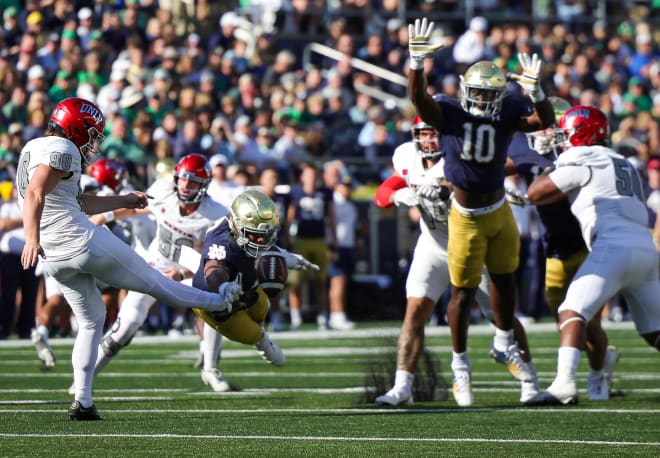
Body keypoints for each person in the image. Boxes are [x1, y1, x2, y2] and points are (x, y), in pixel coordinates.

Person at [17, 97, 234, 421]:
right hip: (80, 241)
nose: (93, 141)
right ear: (75, 128)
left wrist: (125, 200)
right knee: (156, 283)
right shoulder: (64, 149)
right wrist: (30, 237)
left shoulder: (33, 147)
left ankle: (84, 400)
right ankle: (223, 303)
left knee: (92, 319)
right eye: (91, 132)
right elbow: (35, 192)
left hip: (55, 255)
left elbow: (78, 201)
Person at [406, 18, 555, 405]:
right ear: (464, 91)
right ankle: (461, 368)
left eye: (490, 95)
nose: (484, 101)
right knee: (463, 293)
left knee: (507, 283)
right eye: (477, 93)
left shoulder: (507, 112)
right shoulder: (449, 113)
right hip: (466, 217)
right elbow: (419, 102)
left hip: (499, 209)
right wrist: (416, 66)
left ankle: (503, 342)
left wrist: (537, 92)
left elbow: (543, 121)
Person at [373, 117, 538, 407]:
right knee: (414, 312)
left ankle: (530, 380)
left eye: (433, 134)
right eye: (422, 134)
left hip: (474, 244)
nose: (428, 141)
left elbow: (481, 175)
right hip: (434, 245)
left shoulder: (460, 158)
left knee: (502, 317)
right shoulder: (406, 156)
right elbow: (382, 193)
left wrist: (443, 187)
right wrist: (399, 194)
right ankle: (402, 387)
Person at [526, 105, 660, 405]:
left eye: (566, 134)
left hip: (613, 246)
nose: (561, 140)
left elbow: (536, 193)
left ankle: (563, 384)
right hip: (645, 248)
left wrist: (548, 167)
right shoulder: (623, 161)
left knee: (571, 311)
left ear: (581, 134)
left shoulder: (583, 157)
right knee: (655, 331)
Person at [84, 153, 231, 394]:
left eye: (192, 181)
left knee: (215, 302)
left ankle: (210, 367)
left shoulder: (215, 214)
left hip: (188, 271)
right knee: (127, 324)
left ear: (204, 185)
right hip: (154, 268)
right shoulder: (164, 192)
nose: (184, 186)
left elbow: (215, 256)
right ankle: (84, 378)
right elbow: (134, 210)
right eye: (182, 179)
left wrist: (182, 271)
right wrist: (105, 215)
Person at [506, 97, 620, 400]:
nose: (544, 134)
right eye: (541, 128)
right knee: (565, 319)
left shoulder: (582, 155)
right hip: (555, 249)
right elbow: (499, 166)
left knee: (586, 319)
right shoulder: (523, 148)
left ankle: (595, 375)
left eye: (550, 128)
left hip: (586, 246)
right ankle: (603, 360)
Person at [191, 189, 319, 367]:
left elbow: (269, 249)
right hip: (215, 301)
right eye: (254, 235)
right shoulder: (222, 240)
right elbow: (214, 269)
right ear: (237, 225)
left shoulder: (247, 233)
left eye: (264, 236)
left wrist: (291, 258)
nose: (260, 241)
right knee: (252, 334)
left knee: (261, 305)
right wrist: (223, 287)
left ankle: (258, 327)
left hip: (243, 284)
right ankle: (262, 342)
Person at [286, 162, 337, 330]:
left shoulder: (324, 193)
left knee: (321, 281)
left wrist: (333, 241)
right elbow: (290, 217)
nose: (312, 178)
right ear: (302, 177)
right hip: (301, 239)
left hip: (319, 239)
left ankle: (323, 316)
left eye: (314, 174)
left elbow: (331, 218)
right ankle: (296, 317)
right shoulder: (296, 193)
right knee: (295, 281)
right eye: (308, 174)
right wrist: (287, 237)